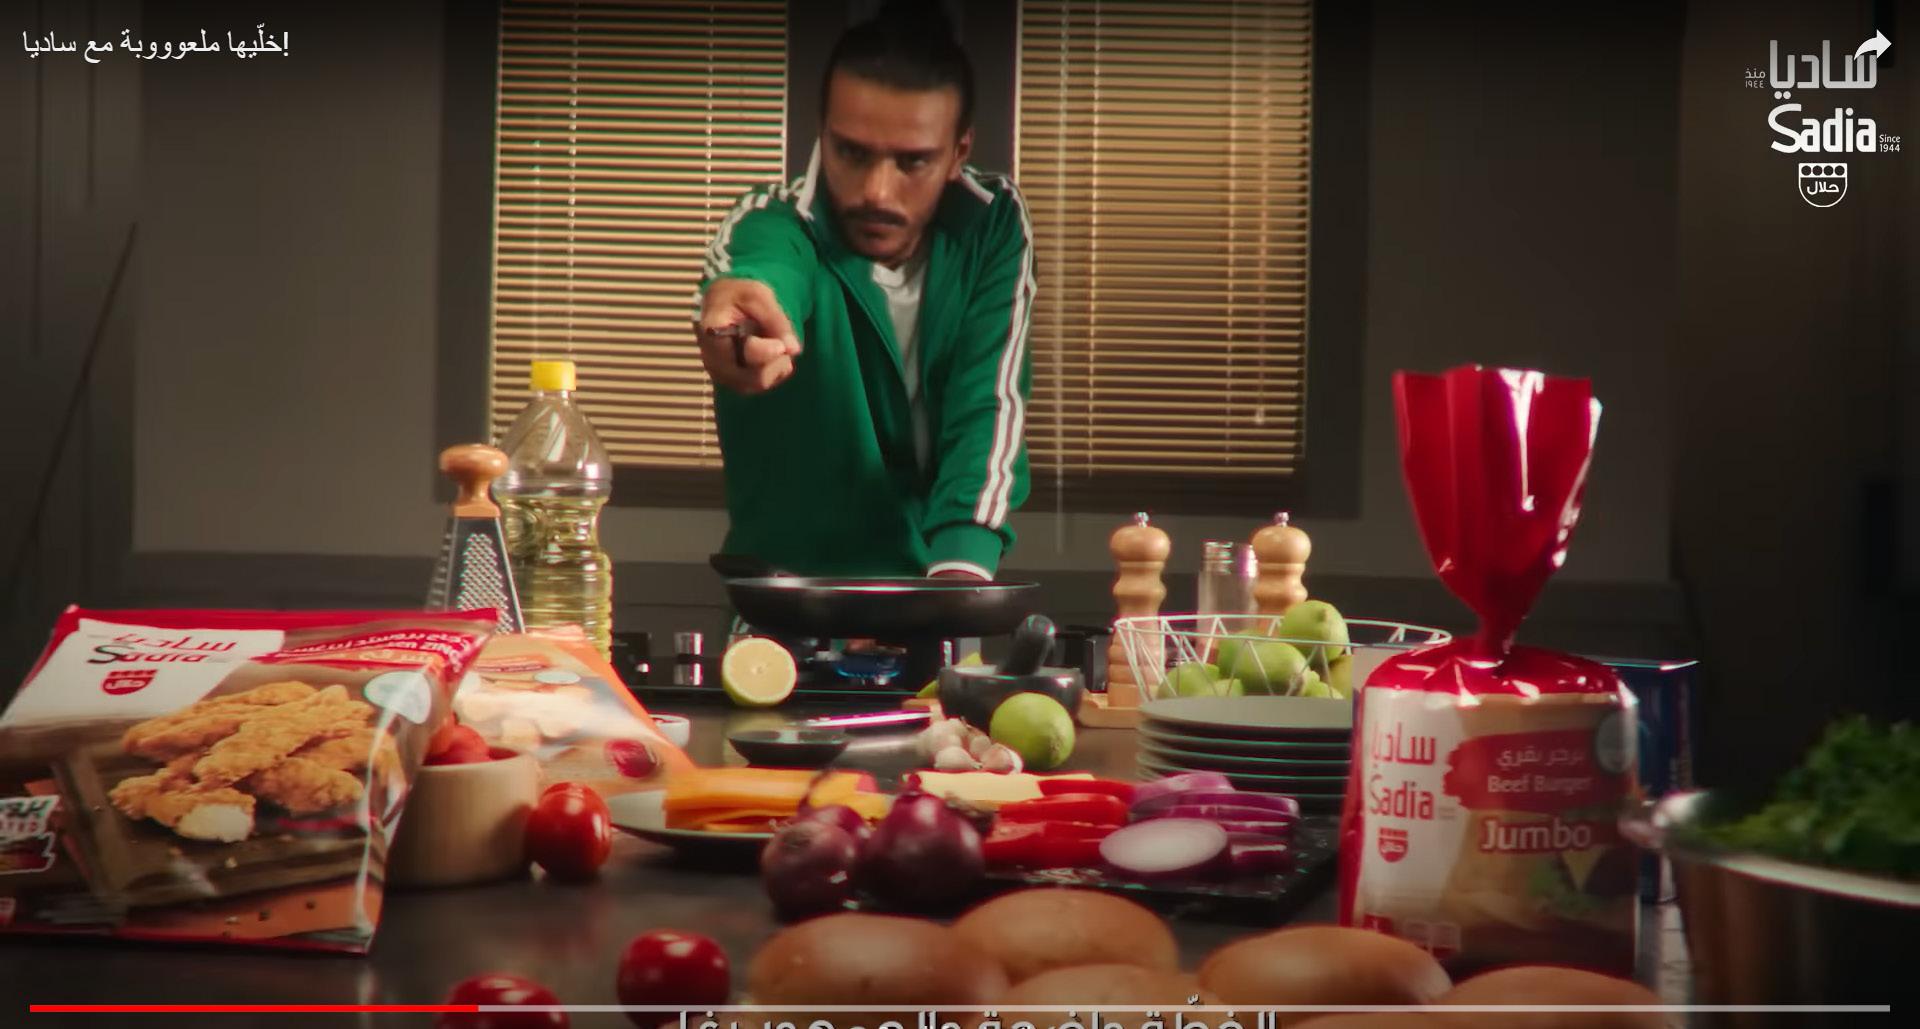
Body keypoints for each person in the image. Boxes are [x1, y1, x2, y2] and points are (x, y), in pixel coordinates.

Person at [693, 0, 1034, 582]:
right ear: (823, 136)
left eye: (913, 162)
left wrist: (956, 585)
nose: (876, 191)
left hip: (937, 585)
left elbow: (990, 406)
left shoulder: (993, 223)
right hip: (784, 600)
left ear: (958, 153)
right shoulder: (768, 221)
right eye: (851, 153)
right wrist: (743, 316)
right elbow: (761, 270)